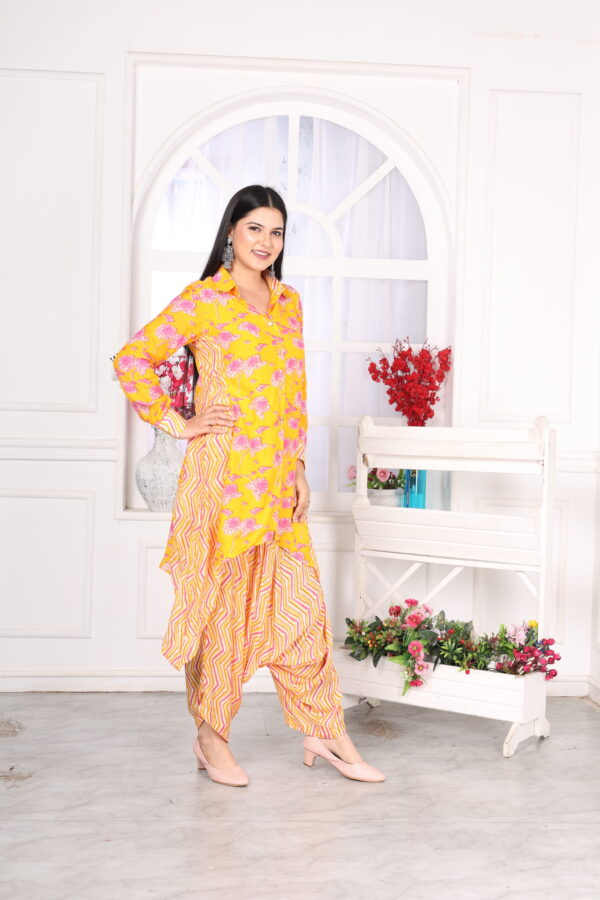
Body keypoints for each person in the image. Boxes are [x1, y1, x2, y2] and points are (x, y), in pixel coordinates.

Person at [113, 184, 385, 787]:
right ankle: (211, 737)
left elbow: (295, 392)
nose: (266, 241)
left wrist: (299, 467)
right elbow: (132, 360)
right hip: (222, 480)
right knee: (222, 609)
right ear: (231, 231)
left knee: (302, 607)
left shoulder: (288, 302)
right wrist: (180, 423)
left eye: (276, 231)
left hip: (276, 481)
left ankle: (325, 729)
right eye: (255, 228)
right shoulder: (204, 300)